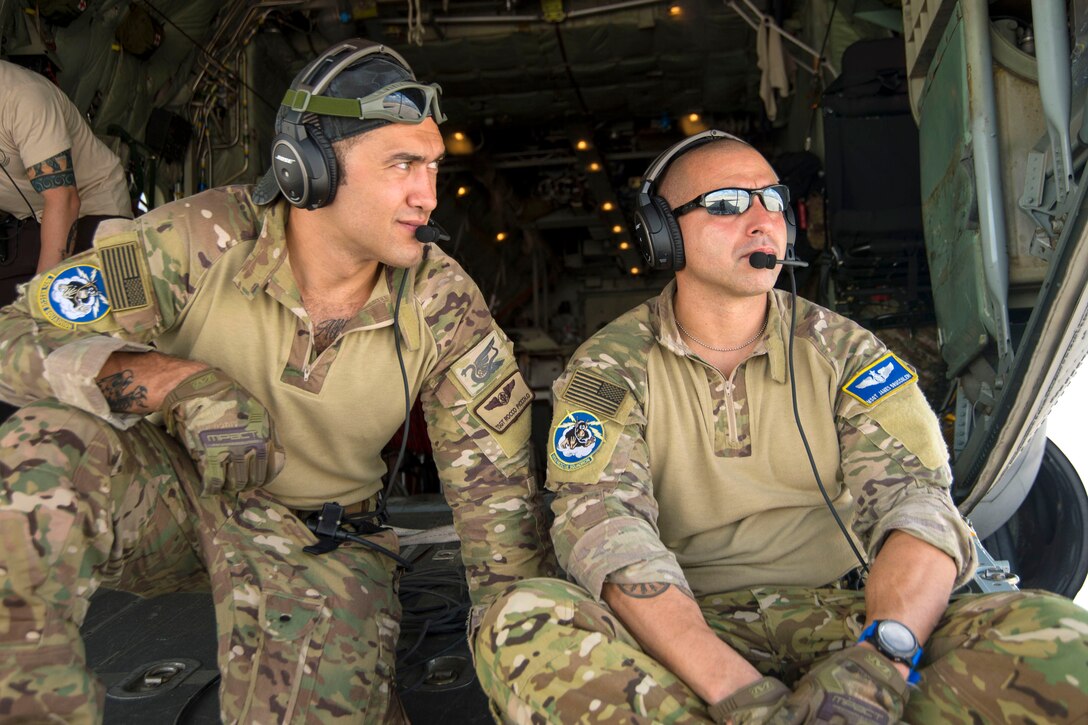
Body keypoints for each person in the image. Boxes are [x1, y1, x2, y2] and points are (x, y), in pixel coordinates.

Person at [0, 39, 554, 723]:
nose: (428, 195)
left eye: (435, 166)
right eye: (403, 164)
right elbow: (17, 334)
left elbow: (498, 516)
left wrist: (527, 663)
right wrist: (172, 380)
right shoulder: (200, 238)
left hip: (320, 536)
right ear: (309, 169)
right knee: (44, 445)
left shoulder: (442, 302)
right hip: (175, 499)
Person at [474, 131, 1088, 723]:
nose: (763, 218)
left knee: (1057, 637)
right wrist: (739, 693)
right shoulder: (609, 366)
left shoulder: (846, 351)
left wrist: (879, 662)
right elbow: (605, 530)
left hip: (848, 614)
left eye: (773, 200)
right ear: (662, 234)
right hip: (683, 629)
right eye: (726, 204)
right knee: (521, 622)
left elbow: (917, 505)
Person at [0, 58, 133, 304]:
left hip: (95, 208)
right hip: (30, 220)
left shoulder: (23, 97)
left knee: (95, 312)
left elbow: (64, 199)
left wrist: (43, 300)